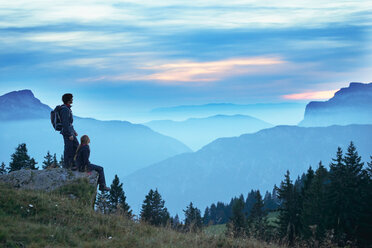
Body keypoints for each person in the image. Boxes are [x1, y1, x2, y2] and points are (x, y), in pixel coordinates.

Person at [60, 93, 79, 169]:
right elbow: (65, 123)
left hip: (70, 131)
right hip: (67, 132)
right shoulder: (65, 109)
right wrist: (69, 134)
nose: (72, 99)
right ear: (68, 100)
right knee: (69, 149)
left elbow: (69, 122)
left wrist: (73, 131)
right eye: (71, 98)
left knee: (75, 146)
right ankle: (68, 166)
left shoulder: (67, 108)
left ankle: (73, 164)